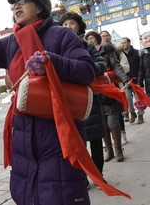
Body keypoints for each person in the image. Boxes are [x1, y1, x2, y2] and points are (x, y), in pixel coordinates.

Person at [0, 0, 96, 204]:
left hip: (57, 134)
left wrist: (51, 62)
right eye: (13, 5)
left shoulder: (61, 35)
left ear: (39, 7)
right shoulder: (12, 42)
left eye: (21, 2)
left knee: (60, 194)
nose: (15, 8)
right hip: (23, 135)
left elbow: (87, 70)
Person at [59, 12, 107, 190]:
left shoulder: (87, 46)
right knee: (77, 144)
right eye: (64, 24)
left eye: (72, 23)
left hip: (89, 99)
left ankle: (99, 177)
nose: (68, 27)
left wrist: (84, 69)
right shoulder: (57, 46)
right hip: (68, 101)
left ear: (79, 27)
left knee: (95, 141)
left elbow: (102, 63)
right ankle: (81, 179)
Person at [85, 31, 129, 162]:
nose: (90, 41)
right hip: (95, 94)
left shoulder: (107, 52)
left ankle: (118, 149)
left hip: (109, 91)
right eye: (88, 39)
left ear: (97, 39)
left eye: (92, 38)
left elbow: (116, 66)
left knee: (112, 123)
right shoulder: (85, 53)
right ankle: (109, 150)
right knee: (102, 125)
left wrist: (125, 79)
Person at [99, 30, 129, 147]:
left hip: (115, 83)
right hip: (100, 88)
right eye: (103, 36)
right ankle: (109, 147)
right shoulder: (94, 52)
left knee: (117, 112)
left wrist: (119, 76)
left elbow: (121, 66)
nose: (105, 38)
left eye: (107, 36)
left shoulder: (116, 50)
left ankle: (122, 134)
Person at [119, 37, 143, 124]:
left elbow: (141, 67)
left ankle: (140, 115)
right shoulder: (120, 55)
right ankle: (132, 113)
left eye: (124, 43)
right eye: (121, 43)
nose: (123, 44)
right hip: (126, 81)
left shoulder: (137, 52)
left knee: (138, 99)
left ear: (129, 43)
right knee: (128, 98)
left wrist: (140, 79)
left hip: (136, 79)